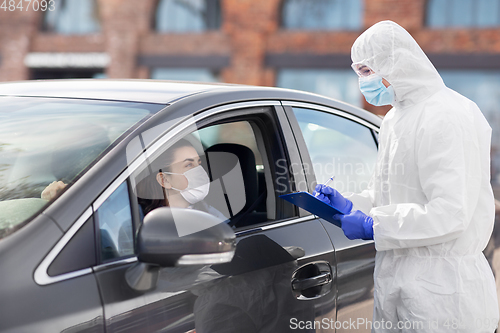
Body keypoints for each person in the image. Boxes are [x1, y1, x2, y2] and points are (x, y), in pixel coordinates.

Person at [314, 20, 499, 332]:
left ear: (395, 63)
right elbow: (386, 194)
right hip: (398, 281)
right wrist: (351, 205)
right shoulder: (395, 119)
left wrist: (376, 224)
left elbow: (451, 212)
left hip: (444, 292)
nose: (362, 81)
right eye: (358, 71)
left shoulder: (447, 114)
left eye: (367, 70)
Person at [136, 138, 226, 221]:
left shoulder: (207, 211)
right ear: (164, 180)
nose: (200, 172)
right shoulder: (142, 221)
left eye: (199, 163)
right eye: (189, 165)